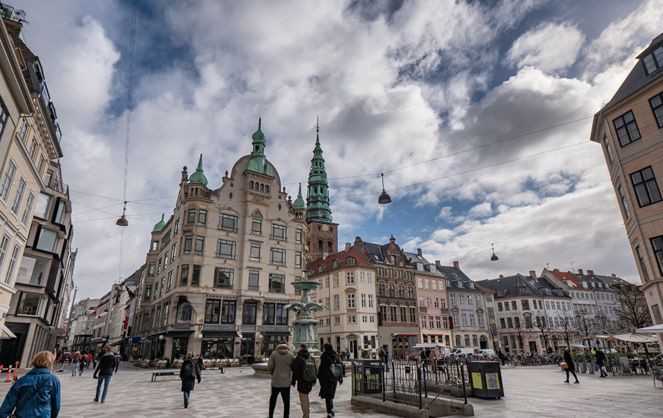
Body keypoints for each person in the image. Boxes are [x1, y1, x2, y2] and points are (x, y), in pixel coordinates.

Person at [0, 351, 60, 417]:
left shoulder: (21, 380)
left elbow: (8, 403)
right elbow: (55, 405)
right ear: (50, 362)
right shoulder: (53, 380)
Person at [268, 341, 294, 418]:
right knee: (286, 401)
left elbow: (270, 366)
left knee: (273, 398)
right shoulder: (290, 355)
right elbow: (293, 367)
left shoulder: (274, 354)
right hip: (286, 381)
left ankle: (271, 415)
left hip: (276, 380)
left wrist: (273, 373)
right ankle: (286, 416)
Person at [318, 343, 343, 418]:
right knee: (330, 395)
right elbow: (339, 366)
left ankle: (329, 412)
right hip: (334, 378)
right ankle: (331, 410)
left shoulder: (325, 357)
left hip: (326, 378)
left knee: (327, 396)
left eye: (324, 348)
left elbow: (322, 368)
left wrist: (319, 377)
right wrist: (340, 378)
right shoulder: (335, 356)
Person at [291, 344, 316, 418]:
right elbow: (314, 370)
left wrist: (293, 381)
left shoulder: (299, 358)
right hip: (310, 380)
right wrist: (314, 380)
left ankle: (306, 415)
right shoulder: (311, 357)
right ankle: (307, 412)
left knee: (303, 398)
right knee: (306, 397)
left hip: (302, 381)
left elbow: (295, 371)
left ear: (300, 348)